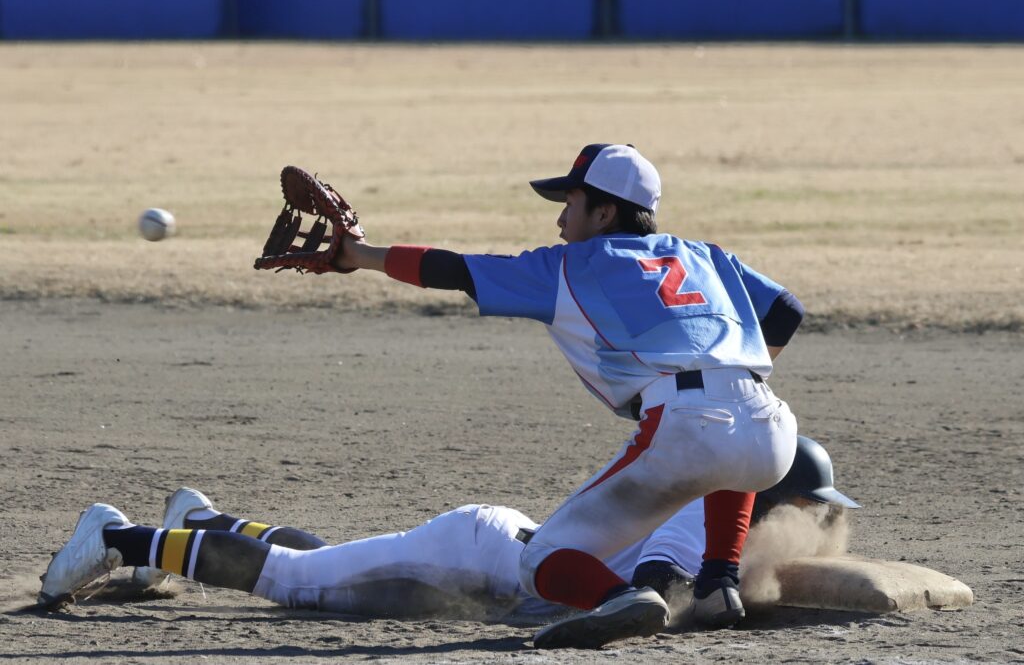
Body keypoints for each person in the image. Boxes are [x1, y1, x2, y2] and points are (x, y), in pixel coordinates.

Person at [324, 143, 805, 647]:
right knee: (727, 456)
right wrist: (731, 369)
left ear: (604, 212)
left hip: (689, 427)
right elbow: (787, 309)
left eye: (570, 204)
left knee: (540, 558)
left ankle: (623, 599)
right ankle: (717, 583)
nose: (559, 220)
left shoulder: (573, 264)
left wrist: (359, 255)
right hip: (771, 428)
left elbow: (455, 270)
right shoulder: (705, 255)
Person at [38, 437, 856, 627]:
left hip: (495, 558)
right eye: (806, 505)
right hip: (482, 553)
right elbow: (654, 589)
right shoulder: (692, 523)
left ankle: (201, 522)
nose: (814, 521)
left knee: (333, 570)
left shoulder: (712, 514)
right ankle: (122, 537)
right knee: (295, 583)